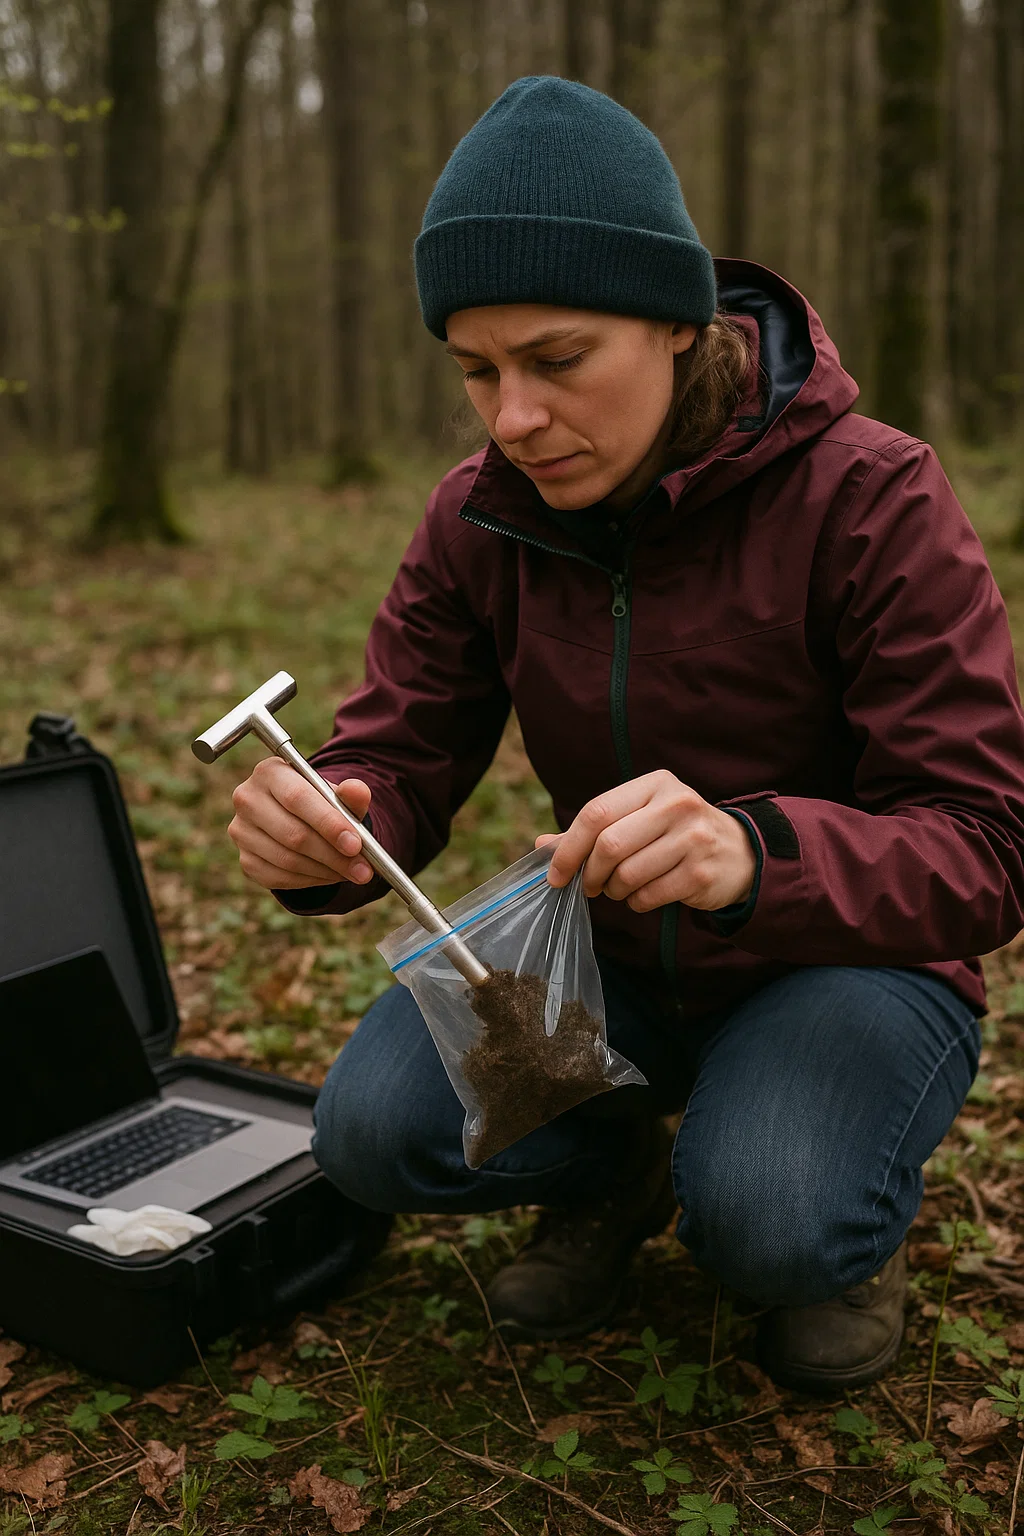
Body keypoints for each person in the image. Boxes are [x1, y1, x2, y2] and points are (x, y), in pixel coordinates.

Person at [226, 77, 1024, 1392]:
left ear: (677, 325)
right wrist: (341, 818)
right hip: (595, 942)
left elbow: (988, 843)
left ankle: (834, 1220)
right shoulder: (480, 516)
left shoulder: (871, 496)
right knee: (372, 1134)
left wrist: (756, 855)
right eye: (476, 372)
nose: (512, 419)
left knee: (770, 1219)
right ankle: (614, 1167)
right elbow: (402, 755)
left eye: (556, 360)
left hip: (843, 960)